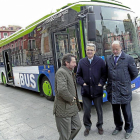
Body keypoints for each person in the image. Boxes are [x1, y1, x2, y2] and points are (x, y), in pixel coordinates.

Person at [106, 41, 138, 139]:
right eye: (113, 49)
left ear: (121, 48)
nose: (115, 51)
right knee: (115, 111)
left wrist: (126, 81)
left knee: (126, 111)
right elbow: (106, 73)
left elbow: (134, 73)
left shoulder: (128, 58)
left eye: (117, 49)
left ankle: (129, 129)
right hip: (112, 89)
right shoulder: (109, 59)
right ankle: (118, 126)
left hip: (124, 89)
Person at [76, 43, 106, 136]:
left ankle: (100, 126)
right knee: (87, 111)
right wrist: (83, 84)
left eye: (91, 50)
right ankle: (87, 127)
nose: (89, 51)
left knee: (99, 110)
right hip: (86, 91)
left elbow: (104, 75)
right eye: (88, 50)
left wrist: (101, 84)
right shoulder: (81, 62)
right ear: (86, 51)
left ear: (95, 51)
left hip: (97, 91)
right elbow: (78, 76)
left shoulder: (100, 61)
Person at [53, 53, 82, 140]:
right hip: (63, 108)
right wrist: (71, 98)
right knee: (64, 135)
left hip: (72, 107)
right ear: (66, 63)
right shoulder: (61, 72)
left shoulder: (69, 71)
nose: (75, 64)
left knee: (77, 126)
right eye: (73, 62)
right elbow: (62, 90)